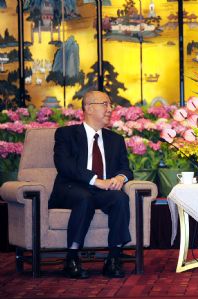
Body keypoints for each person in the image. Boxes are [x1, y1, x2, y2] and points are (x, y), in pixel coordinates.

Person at [49, 91, 133, 279]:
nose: (110, 109)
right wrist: (96, 180)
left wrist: (120, 178)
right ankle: (71, 258)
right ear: (88, 107)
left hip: (102, 190)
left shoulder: (115, 139)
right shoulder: (66, 134)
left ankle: (113, 258)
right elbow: (64, 165)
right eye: (105, 104)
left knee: (120, 198)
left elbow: (126, 169)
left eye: (110, 105)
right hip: (71, 187)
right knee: (84, 198)